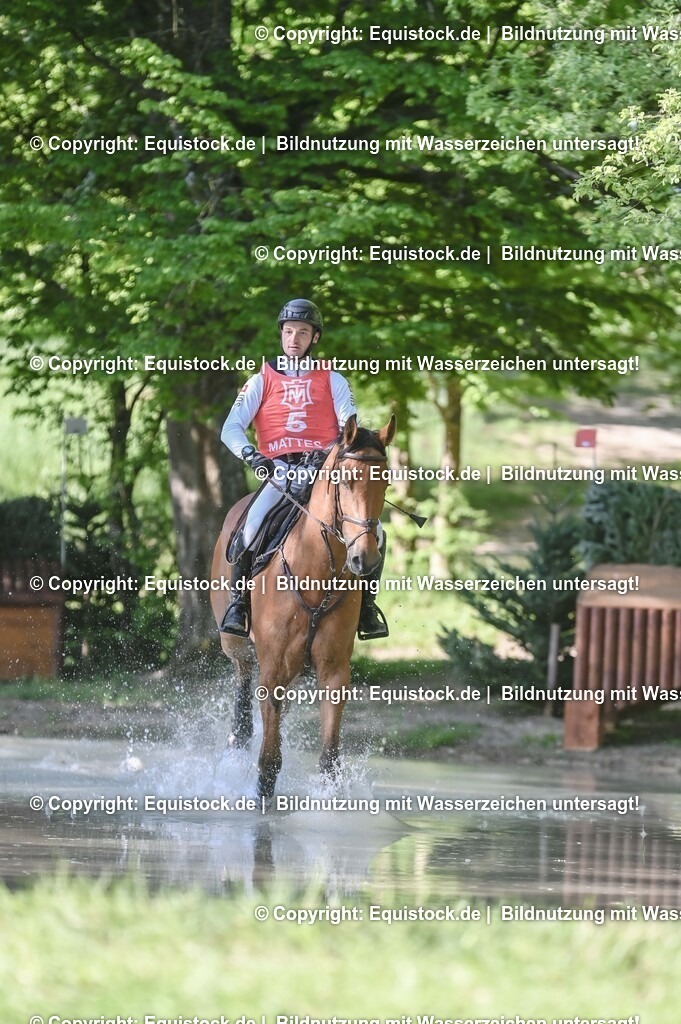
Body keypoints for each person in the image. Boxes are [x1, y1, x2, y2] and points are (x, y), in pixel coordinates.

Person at [219, 297, 388, 640]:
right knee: (248, 530)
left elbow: (349, 427)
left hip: (323, 473)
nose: (293, 338)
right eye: (288, 331)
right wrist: (252, 455)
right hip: (280, 472)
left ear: (315, 338)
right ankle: (238, 603)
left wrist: (332, 452)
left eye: (302, 332)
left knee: (378, 533)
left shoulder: (333, 379)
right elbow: (231, 428)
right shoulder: (260, 380)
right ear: (281, 334)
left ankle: (367, 609)